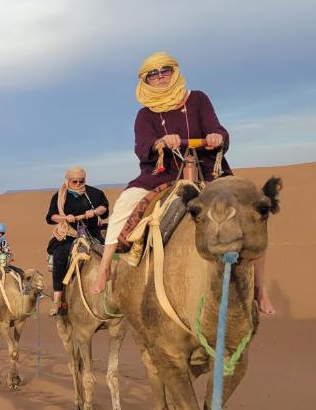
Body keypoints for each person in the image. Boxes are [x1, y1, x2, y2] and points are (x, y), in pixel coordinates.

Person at [92, 51, 229, 295]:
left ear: (174, 72)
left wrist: (217, 136)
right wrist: (160, 142)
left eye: (165, 70)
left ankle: (259, 286)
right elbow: (142, 146)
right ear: (145, 81)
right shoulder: (145, 114)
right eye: (152, 74)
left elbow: (216, 128)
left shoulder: (197, 99)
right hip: (161, 174)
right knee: (124, 204)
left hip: (206, 168)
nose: (160, 77)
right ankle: (105, 267)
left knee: (251, 206)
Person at [45, 167, 109, 315]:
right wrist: (65, 218)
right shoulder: (60, 196)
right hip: (69, 233)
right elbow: (51, 216)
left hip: (91, 232)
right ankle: (57, 299)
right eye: (75, 181)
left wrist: (94, 212)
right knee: (60, 256)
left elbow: (104, 208)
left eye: (82, 181)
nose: (78, 183)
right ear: (68, 180)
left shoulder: (94, 193)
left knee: (111, 253)